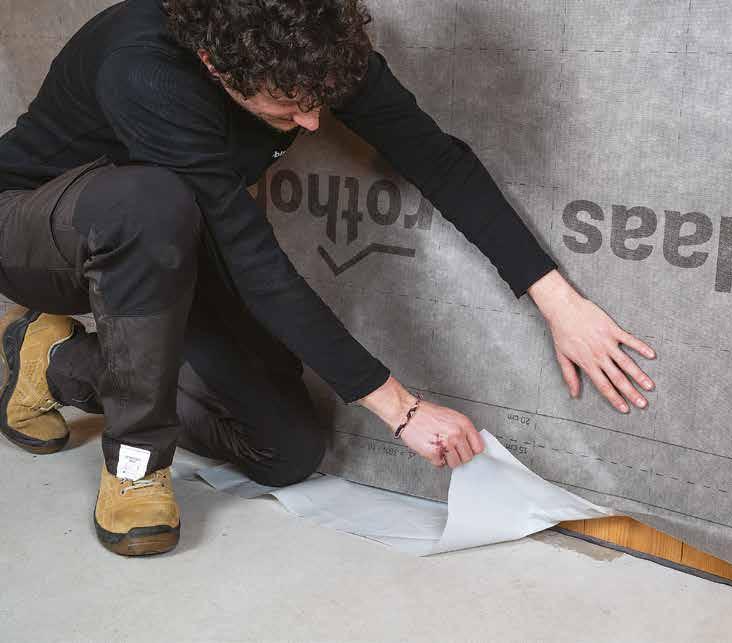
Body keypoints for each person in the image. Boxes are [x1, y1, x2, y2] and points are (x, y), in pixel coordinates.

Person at [0, 0, 657, 557]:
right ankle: (136, 464)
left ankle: (54, 360)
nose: (314, 122)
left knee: (286, 448)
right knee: (150, 203)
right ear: (214, 65)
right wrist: (402, 410)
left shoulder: (313, 49)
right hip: (38, 232)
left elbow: (437, 160)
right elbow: (255, 266)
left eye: (319, 101)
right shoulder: (145, 70)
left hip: (169, 254)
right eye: (290, 106)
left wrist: (556, 299)